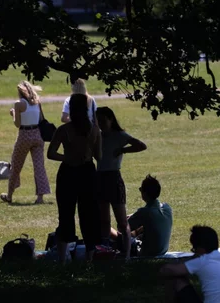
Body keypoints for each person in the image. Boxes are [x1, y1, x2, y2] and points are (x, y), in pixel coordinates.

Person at [47, 93, 102, 264]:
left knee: (65, 214)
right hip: (88, 172)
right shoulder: (94, 130)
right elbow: (99, 156)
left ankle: (63, 259)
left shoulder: (64, 130)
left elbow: (51, 153)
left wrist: (67, 157)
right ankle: (90, 258)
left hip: (68, 173)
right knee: (89, 214)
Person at [95, 107, 148, 258]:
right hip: (99, 178)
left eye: (103, 120)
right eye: (98, 120)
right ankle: (105, 251)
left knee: (122, 222)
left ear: (111, 119)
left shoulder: (119, 135)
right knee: (104, 220)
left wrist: (123, 150)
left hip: (113, 177)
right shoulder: (97, 136)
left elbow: (141, 145)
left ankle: (126, 254)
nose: (100, 123)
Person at [0, 81, 51, 204]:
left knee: (16, 165)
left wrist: (13, 114)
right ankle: (40, 197)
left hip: (25, 135)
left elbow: (17, 124)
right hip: (37, 135)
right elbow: (42, 119)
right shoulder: (37, 102)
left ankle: (10, 195)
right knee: (39, 167)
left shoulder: (19, 104)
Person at [127, 175, 173, 257]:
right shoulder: (167, 208)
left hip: (146, 253)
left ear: (144, 193)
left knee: (117, 236)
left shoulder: (144, 212)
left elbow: (123, 227)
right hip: (162, 251)